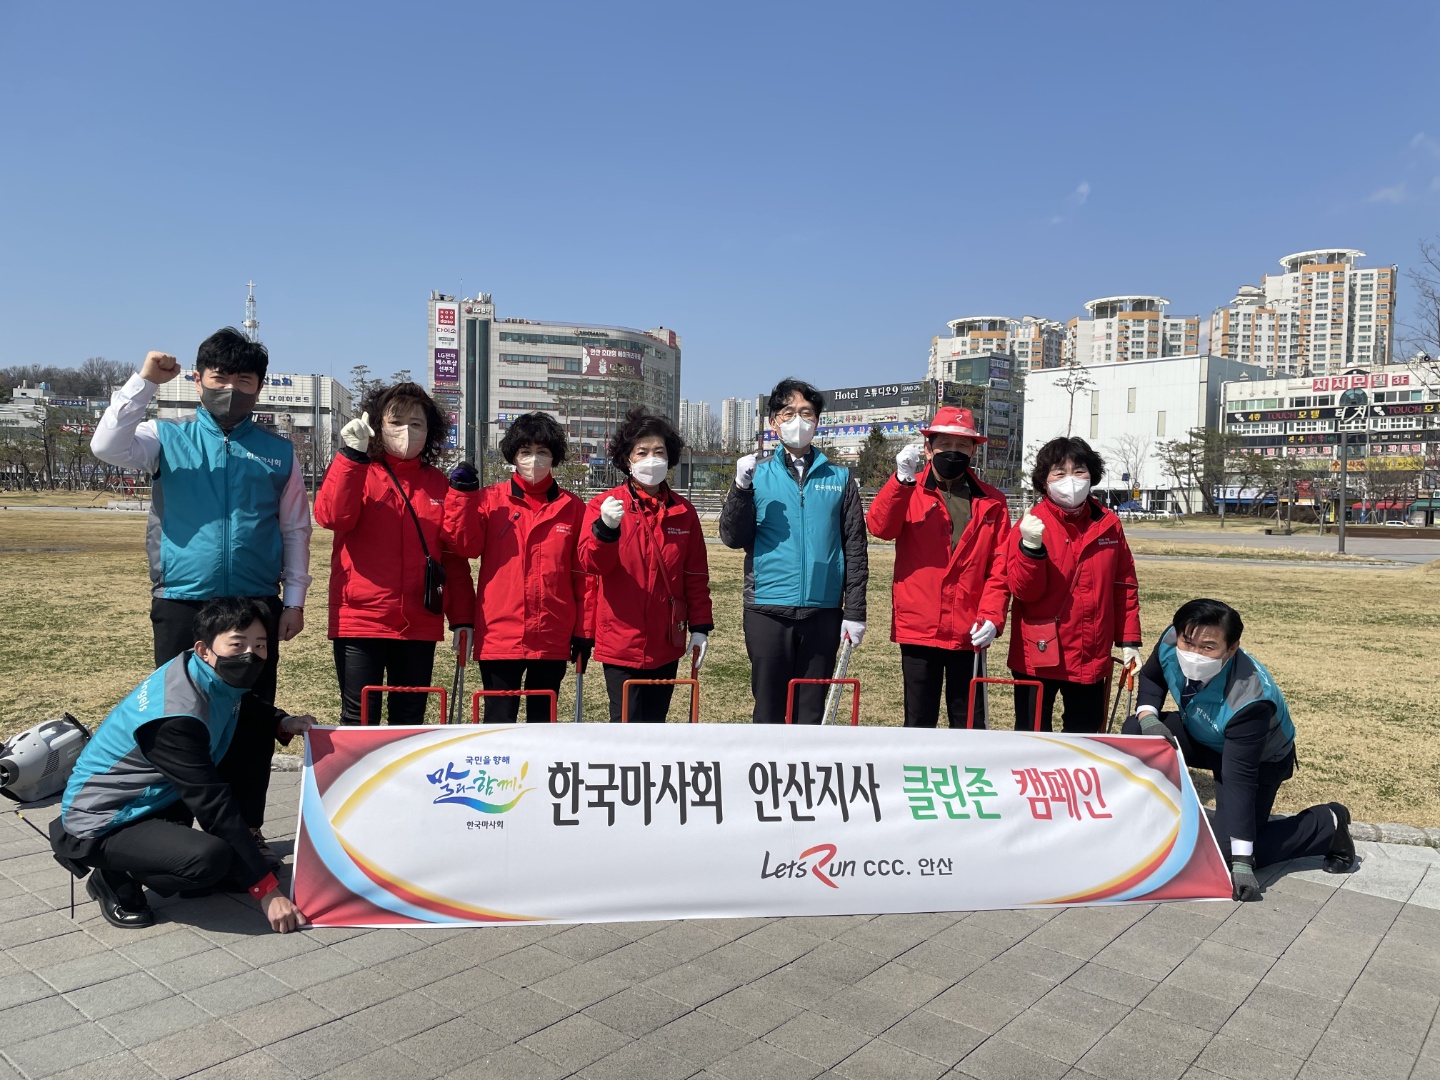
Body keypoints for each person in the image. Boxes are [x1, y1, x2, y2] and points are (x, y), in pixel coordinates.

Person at [90, 330, 312, 863]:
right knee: (177, 722)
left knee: (251, 720)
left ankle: (247, 829)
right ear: (198, 379)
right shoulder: (165, 438)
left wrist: (296, 598)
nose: (231, 388)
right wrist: (143, 381)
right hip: (183, 602)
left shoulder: (278, 453)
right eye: (219, 377)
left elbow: (295, 529)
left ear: (259, 388)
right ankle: (169, 830)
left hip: (256, 604)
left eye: (244, 380)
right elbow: (105, 446)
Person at [50, 597, 314, 933]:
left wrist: (282, 721)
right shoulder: (175, 718)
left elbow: (239, 701)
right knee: (209, 859)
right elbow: (212, 804)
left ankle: (168, 863)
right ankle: (112, 874)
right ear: (204, 649)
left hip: (149, 800)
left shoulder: (197, 669)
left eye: (260, 645)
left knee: (239, 865)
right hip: (101, 820)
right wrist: (267, 893)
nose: (251, 654)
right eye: (238, 643)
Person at [1124, 598, 1356, 901]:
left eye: (1208, 648)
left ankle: (1326, 824)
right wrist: (1148, 716)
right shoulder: (1174, 637)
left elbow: (1239, 781)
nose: (1193, 653)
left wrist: (1243, 862)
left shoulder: (1250, 698)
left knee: (1224, 857)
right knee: (1135, 729)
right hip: (1204, 734)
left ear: (1231, 648)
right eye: (1188, 641)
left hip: (1257, 760)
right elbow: (1153, 677)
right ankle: (1154, 816)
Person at [314, 382, 476, 725]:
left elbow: (452, 558)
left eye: (416, 424)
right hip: (361, 620)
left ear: (429, 432)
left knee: (409, 719)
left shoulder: (437, 483)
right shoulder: (357, 469)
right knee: (360, 720)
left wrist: (462, 618)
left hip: (419, 622)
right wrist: (352, 456)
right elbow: (332, 516)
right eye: (396, 422)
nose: (406, 431)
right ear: (376, 425)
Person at [720, 378, 868, 724]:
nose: (797, 420)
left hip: (823, 611)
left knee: (811, 711)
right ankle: (765, 772)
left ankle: (807, 776)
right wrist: (741, 489)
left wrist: (855, 611)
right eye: (789, 413)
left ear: (817, 422)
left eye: (806, 413)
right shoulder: (756, 474)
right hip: (767, 609)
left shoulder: (840, 478)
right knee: (769, 708)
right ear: (774, 422)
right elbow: (731, 536)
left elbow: (856, 548)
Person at [866, 407, 1010, 728]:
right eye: (945, 445)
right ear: (928, 448)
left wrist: (992, 615)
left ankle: (969, 778)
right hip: (920, 627)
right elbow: (879, 526)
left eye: (963, 446)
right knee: (918, 722)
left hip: (970, 629)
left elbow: (1000, 567)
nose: (954, 454)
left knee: (970, 723)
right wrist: (900, 481)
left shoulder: (993, 502)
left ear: (974, 450)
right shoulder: (909, 489)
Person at [444, 412, 590, 724]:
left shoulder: (573, 508)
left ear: (554, 457)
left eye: (543, 452)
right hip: (500, 633)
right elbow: (463, 546)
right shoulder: (490, 500)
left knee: (542, 725)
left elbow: (585, 577)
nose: (534, 460)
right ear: (513, 455)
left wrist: (584, 632)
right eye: (525, 452)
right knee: (498, 723)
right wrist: (462, 496)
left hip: (552, 634)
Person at [578, 408, 712, 723]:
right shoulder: (605, 505)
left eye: (659, 452)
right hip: (620, 638)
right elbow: (590, 563)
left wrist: (701, 626)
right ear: (628, 459)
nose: (651, 459)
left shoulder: (684, 512)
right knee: (625, 723)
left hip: (666, 640)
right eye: (642, 452)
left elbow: (695, 575)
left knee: (655, 724)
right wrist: (605, 530)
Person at [1005, 436, 1140, 733]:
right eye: (1059, 472)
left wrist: (1129, 640)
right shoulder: (1031, 523)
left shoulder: (1108, 524)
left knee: (1085, 735)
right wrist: (1031, 547)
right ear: (1044, 481)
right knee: (1032, 734)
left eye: (1079, 471)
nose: (1071, 480)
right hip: (1039, 649)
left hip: (1090, 650)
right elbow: (1024, 591)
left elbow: (1124, 585)